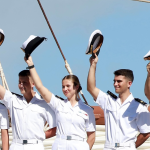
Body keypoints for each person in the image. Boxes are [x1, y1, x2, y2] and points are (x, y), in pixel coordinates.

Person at [24, 56, 96, 150]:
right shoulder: (58, 104)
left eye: (68, 86)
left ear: (76, 87)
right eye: (63, 86)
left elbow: (91, 136)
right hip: (60, 145)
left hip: (79, 145)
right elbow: (40, 87)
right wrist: (31, 65)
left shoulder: (87, 110)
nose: (65, 89)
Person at [87, 54, 150, 150]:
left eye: (119, 81)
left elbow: (146, 133)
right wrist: (93, 65)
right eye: (114, 81)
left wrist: (131, 146)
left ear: (129, 83)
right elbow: (91, 88)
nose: (115, 84)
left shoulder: (139, 107)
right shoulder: (108, 101)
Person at [0, 70, 56, 150]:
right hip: (16, 146)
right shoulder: (12, 100)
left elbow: (57, 127)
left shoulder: (44, 105)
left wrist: (41, 136)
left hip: (35, 146)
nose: (21, 85)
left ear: (33, 84)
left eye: (24, 82)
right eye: (19, 82)